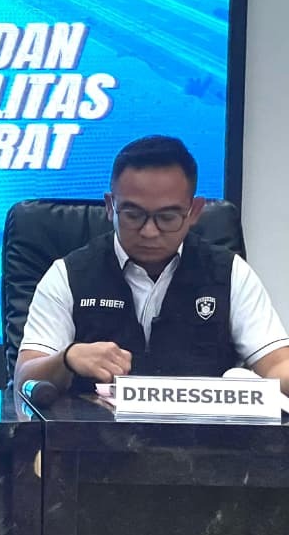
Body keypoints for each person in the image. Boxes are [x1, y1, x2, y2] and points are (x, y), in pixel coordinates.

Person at [15, 134, 289, 393]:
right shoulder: (68, 275)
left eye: (167, 218)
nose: (149, 231)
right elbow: (24, 379)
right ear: (110, 206)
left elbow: (277, 364)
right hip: (92, 428)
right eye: (133, 215)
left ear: (194, 212)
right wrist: (67, 358)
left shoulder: (230, 273)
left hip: (205, 429)